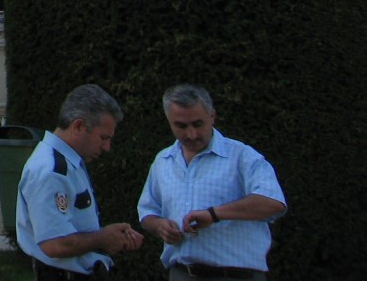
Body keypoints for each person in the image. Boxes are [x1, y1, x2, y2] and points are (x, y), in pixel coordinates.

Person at [137, 84, 285, 281]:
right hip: (181, 274)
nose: (191, 134)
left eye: (198, 124)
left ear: (212, 116)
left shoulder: (242, 157)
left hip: (235, 276)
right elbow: (147, 211)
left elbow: (273, 203)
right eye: (181, 126)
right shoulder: (163, 161)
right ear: (169, 121)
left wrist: (214, 214)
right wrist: (159, 226)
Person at [16, 84, 144, 278]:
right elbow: (55, 244)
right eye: (103, 137)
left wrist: (109, 237)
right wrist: (103, 238)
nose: (107, 147)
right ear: (78, 126)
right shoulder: (52, 170)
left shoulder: (68, 163)